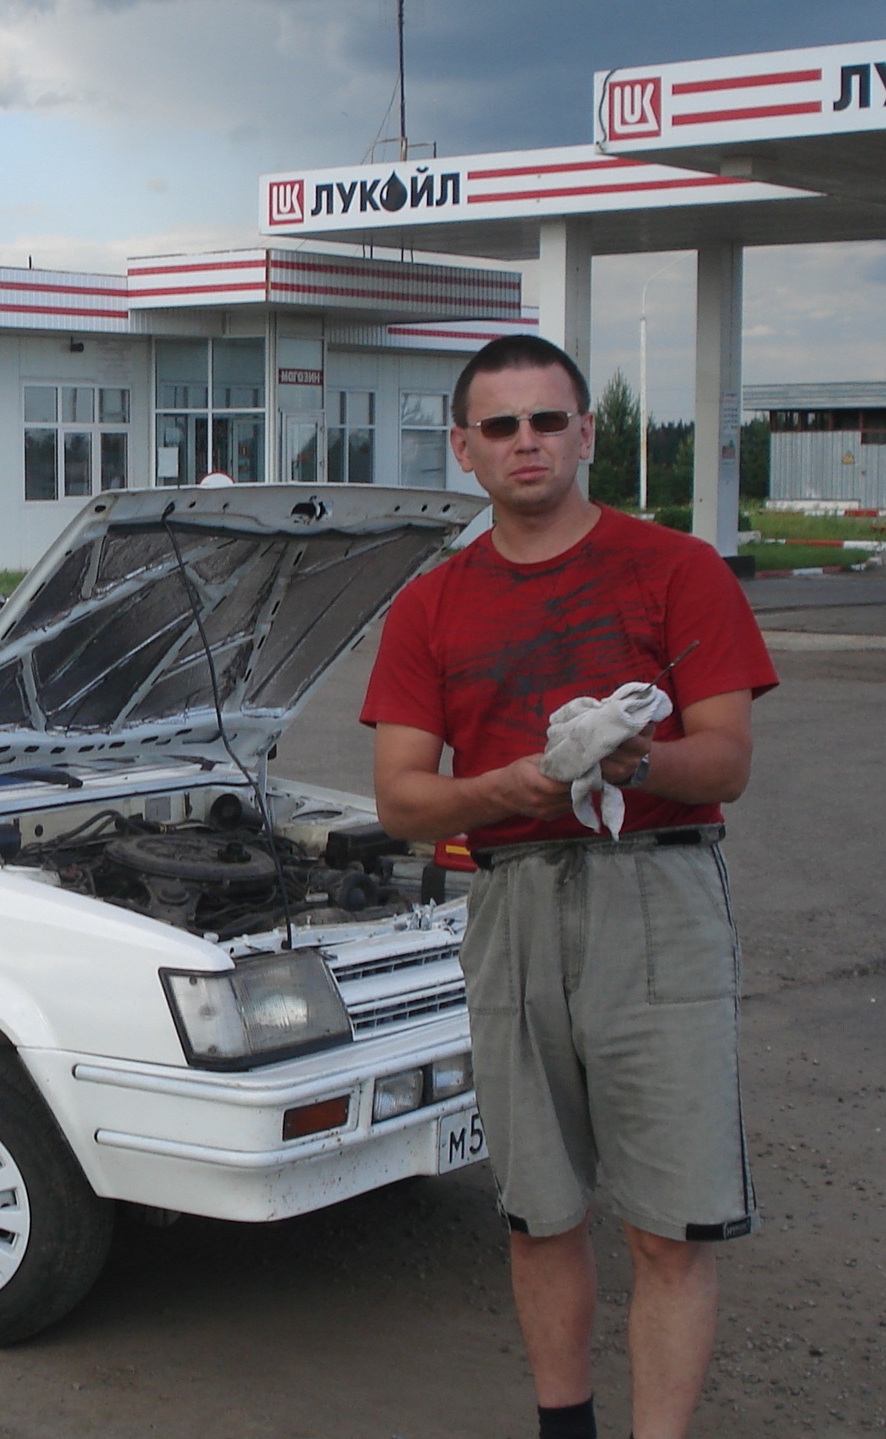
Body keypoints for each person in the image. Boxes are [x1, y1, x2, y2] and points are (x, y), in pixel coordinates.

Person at [360, 334, 777, 1439]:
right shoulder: (432, 604)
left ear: (588, 431)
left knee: (669, 1224)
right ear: (464, 448)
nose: (526, 442)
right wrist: (513, 784)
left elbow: (727, 759)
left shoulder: (675, 569)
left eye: (548, 420)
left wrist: (627, 757)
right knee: (539, 1208)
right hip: (510, 902)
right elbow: (403, 799)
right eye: (500, 426)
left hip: (661, 896)